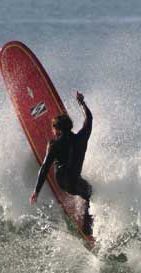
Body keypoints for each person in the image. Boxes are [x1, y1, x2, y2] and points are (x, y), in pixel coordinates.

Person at [29, 91, 93, 234]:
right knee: (89, 192)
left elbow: (45, 168)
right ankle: (87, 226)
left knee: (61, 168)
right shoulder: (82, 138)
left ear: (57, 130)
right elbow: (89, 118)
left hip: (62, 182)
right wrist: (81, 102)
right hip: (75, 182)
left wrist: (36, 191)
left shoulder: (54, 144)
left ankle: (83, 217)